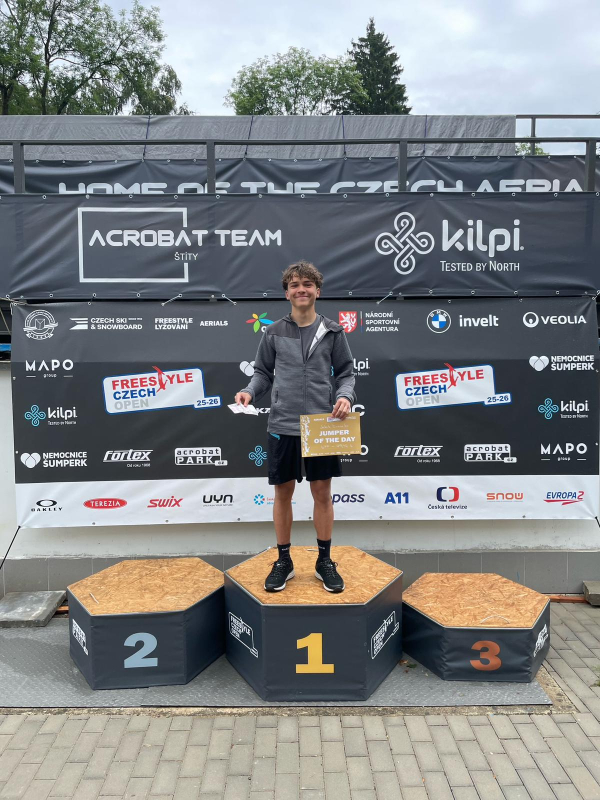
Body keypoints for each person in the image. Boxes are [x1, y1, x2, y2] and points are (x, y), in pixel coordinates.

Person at [235, 261, 356, 593]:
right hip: (283, 423)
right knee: (283, 494)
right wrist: (249, 392)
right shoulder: (273, 332)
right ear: (286, 293)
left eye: (307, 284)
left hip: (321, 425)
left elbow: (346, 373)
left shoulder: (332, 331)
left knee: (322, 494)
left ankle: (324, 561)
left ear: (318, 290)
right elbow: (262, 373)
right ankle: (284, 560)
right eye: (294, 285)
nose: (301, 289)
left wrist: (344, 396)